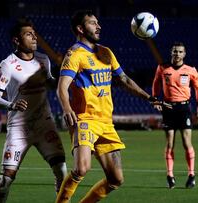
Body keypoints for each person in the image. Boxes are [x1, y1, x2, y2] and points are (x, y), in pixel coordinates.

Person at [56, 10, 162, 203]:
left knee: (116, 179)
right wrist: (67, 109)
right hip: (85, 119)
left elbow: (124, 80)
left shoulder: (106, 52)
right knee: (81, 168)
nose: (98, 26)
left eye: (98, 22)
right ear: (80, 28)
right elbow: (61, 87)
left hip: (106, 122)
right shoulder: (75, 55)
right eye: (92, 23)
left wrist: (149, 97)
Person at [0, 19, 67, 203]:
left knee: (62, 171)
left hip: (44, 125)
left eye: (34, 33)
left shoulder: (43, 59)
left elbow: (50, 82)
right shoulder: (7, 64)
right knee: (7, 178)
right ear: (16, 40)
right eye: (28, 34)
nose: (34, 37)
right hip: (19, 128)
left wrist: (63, 77)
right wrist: (11, 105)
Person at [152, 42, 198, 189]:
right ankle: (170, 175)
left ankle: (191, 175)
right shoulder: (163, 68)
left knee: (187, 143)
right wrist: (155, 99)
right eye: (175, 51)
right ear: (171, 52)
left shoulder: (191, 70)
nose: (177, 54)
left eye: (180, 52)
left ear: (184, 54)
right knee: (169, 144)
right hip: (168, 108)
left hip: (184, 108)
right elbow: (156, 83)